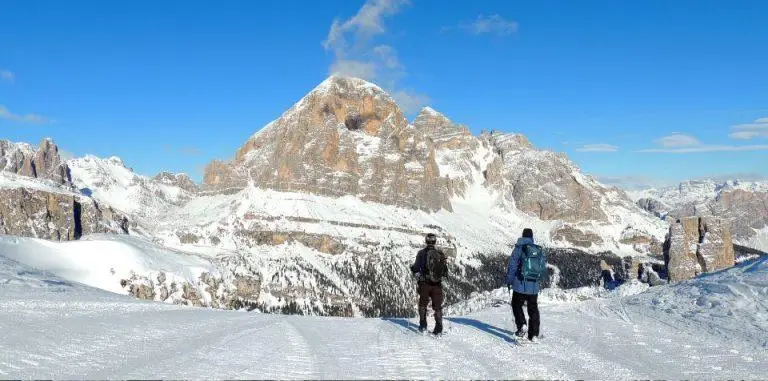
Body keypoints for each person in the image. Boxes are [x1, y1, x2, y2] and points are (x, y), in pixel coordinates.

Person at [506, 228, 547, 342]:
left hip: (520, 284)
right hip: (533, 286)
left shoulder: (519, 248)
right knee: (533, 308)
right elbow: (542, 266)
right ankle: (533, 334)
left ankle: (522, 326)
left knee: (516, 304)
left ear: (523, 236)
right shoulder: (537, 249)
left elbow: (512, 266)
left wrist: (509, 280)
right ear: (531, 237)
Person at [411, 233, 447, 335]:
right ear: (435, 241)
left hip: (424, 284)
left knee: (423, 305)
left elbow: (416, 268)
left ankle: (423, 326)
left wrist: (413, 270)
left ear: (426, 241)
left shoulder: (421, 253)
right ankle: (439, 329)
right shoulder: (440, 254)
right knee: (437, 307)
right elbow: (445, 271)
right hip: (437, 285)